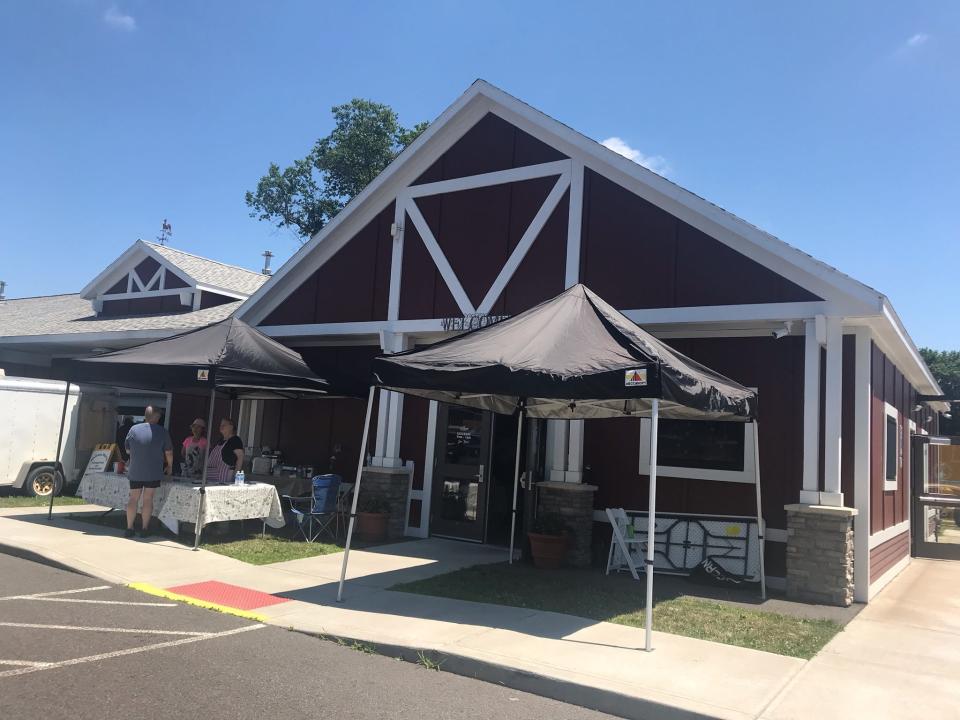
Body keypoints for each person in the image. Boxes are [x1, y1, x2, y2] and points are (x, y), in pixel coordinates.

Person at [123, 406, 172, 538]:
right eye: (159, 416)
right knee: (148, 498)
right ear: (156, 416)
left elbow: (128, 450)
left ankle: (129, 528)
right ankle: (145, 528)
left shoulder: (133, 429)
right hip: (153, 471)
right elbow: (168, 452)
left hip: (135, 470)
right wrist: (170, 466)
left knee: (133, 498)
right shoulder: (162, 431)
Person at [205, 417, 244, 484]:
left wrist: (235, 478)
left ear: (231, 427)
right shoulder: (220, 441)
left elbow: (240, 457)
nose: (221, 426)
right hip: (208, 479)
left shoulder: (235, 440)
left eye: (224, 425)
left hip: (223, 480)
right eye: (220, 425)